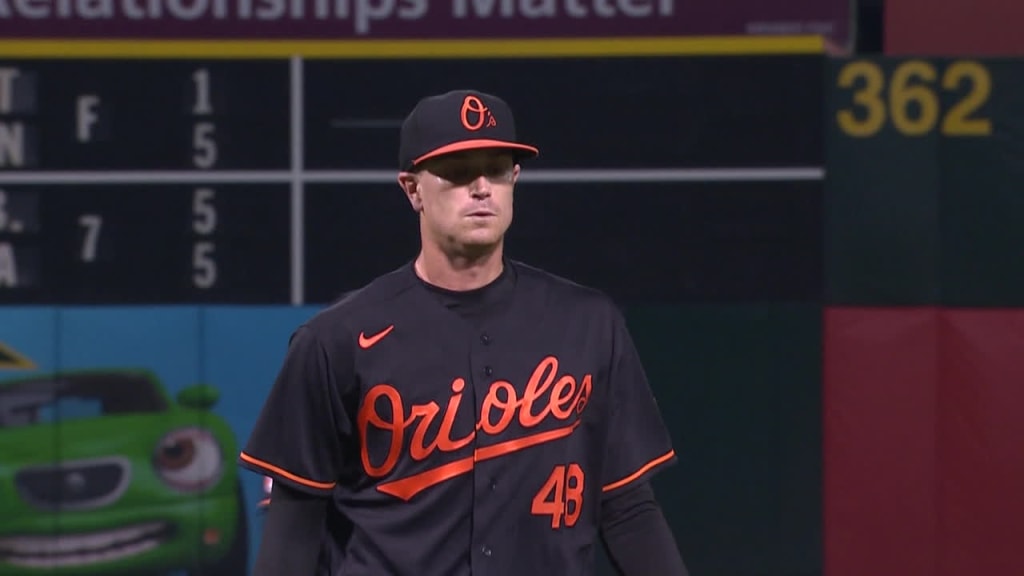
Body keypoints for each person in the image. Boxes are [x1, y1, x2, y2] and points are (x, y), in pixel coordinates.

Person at [239, 89, 689, 576]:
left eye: (496, 169)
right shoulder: (337, 339)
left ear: (514, 179)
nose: (481, 187)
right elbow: (295, 523)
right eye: (456, 172)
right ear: (412, 189)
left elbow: (626, 506)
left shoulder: (588, 323)